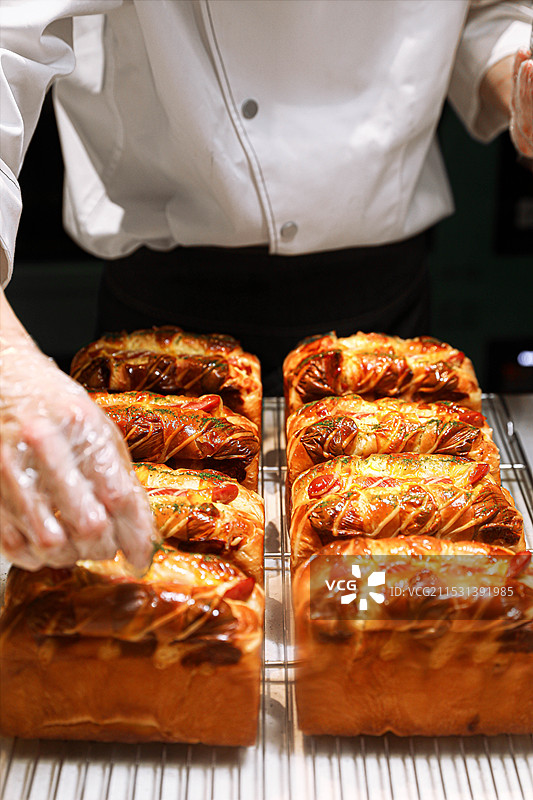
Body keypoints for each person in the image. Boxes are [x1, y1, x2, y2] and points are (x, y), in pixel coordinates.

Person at [1, 0, 532, 571]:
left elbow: (487, 10)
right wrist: (7, 362)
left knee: (407, 609)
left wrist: (517, 76)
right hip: (160, 315)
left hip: (388, 316)